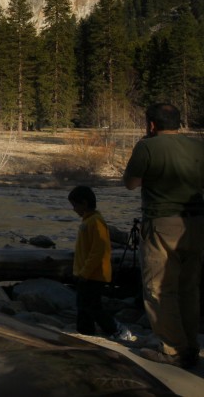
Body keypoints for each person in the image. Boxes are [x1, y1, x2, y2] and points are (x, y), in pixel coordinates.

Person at [123, 102, 204, 369]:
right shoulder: (197, 146)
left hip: (162, 223)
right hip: (196, 223)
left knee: (159, 288)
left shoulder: (147, 147)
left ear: (152, 124)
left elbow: (131, 184)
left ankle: (173, 351)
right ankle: (191, 346)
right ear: (179, 123)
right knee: (189, 288)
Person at [69, 185, 135, 342]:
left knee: (93, 307)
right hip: (86, 273)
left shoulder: (96, 222)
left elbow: (98, 251)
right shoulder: (89, 221)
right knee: (83, 306)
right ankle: (85, 332)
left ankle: (116, 329)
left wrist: (85, 272)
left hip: (93, 275)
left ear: (84, 204)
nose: (74, 209)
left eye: (75, 205)